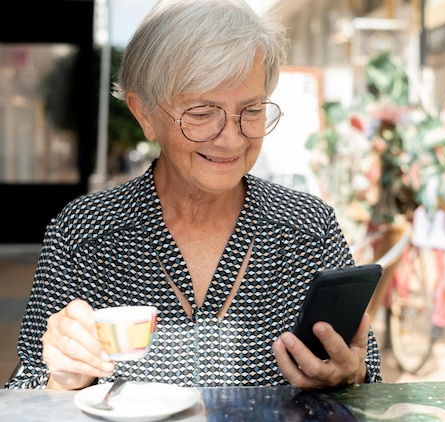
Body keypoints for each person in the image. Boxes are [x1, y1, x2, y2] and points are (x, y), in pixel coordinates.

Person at [4, 0, 382, 390]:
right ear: (144, 114)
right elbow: (25, 390)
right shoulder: (83, 234)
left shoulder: (309, 228)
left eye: (251, 110)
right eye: (202, 113)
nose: (232, 138)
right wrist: (62, 380)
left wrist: (351, 376)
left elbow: (366, 376)